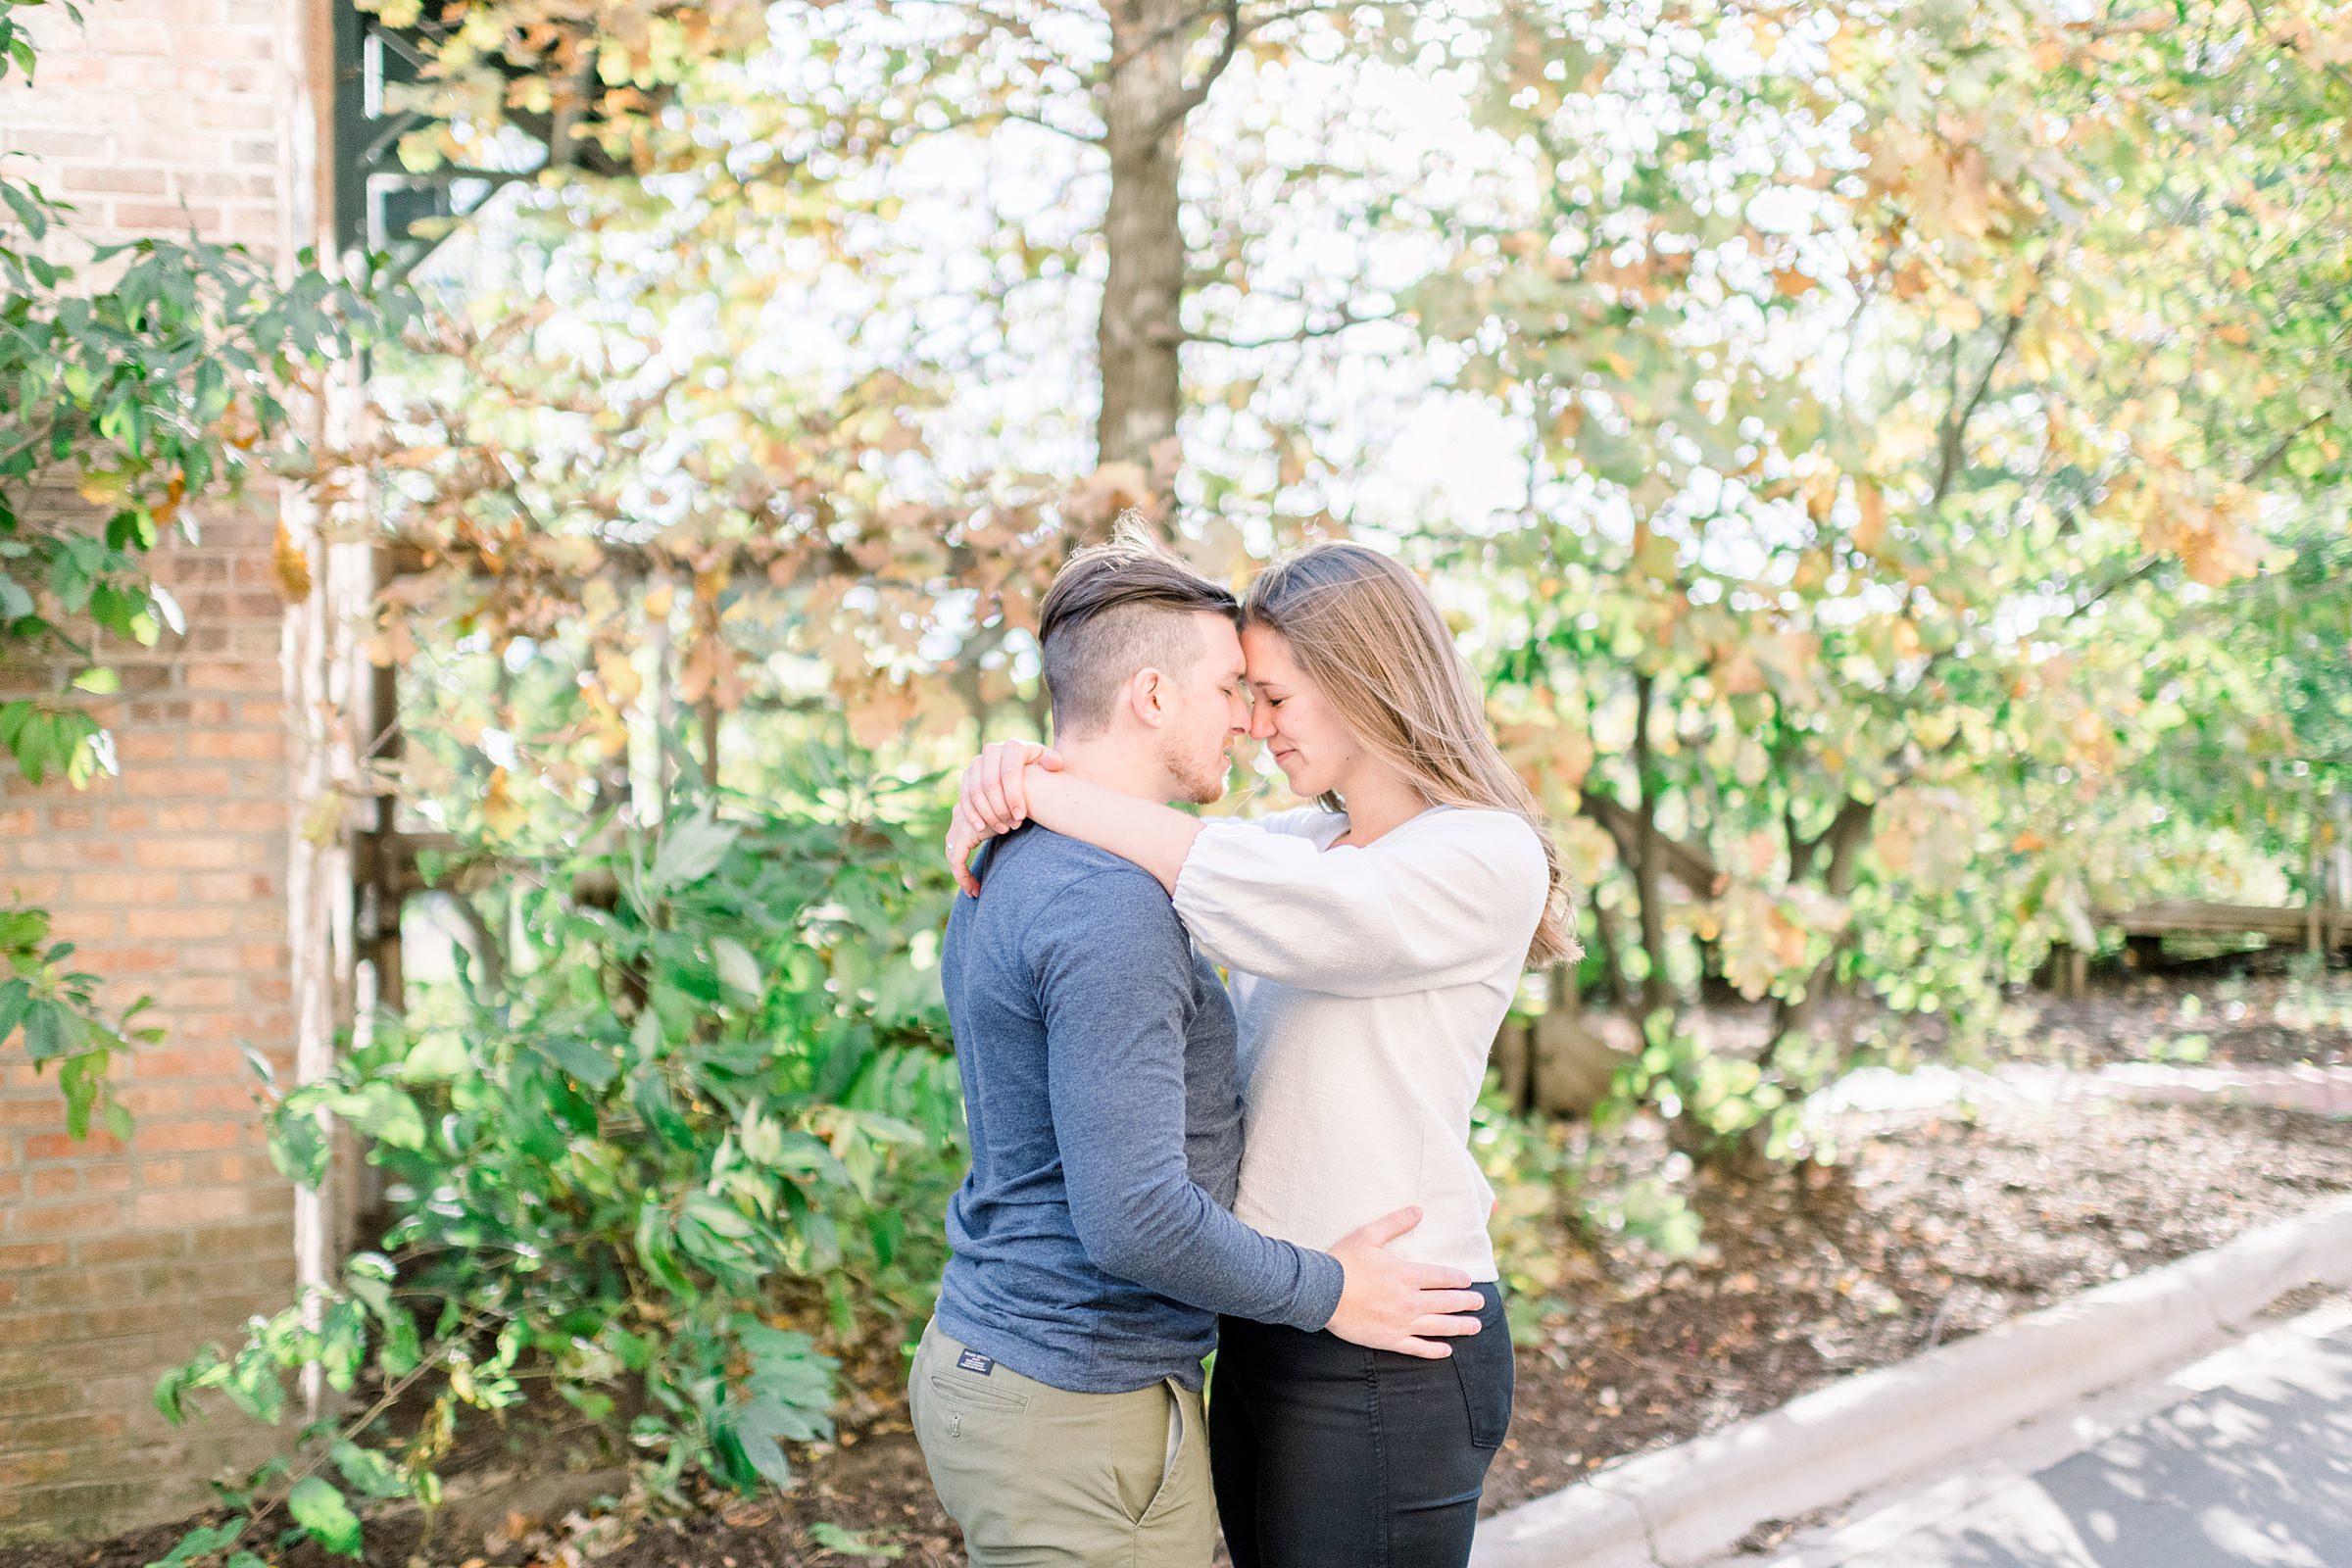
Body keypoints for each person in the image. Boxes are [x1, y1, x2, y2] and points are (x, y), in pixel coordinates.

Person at [948, 535, 1577, 1568]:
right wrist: (1012, 766)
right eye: (1246, 692)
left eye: (1274, 696)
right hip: (1271, 1312)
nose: (1253, 722)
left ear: (1362, 683)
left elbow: (1266, 894)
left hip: (1393, 1333)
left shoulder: (1482, 849)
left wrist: (1041, 790)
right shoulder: (1300, 845)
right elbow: (1208, 859)